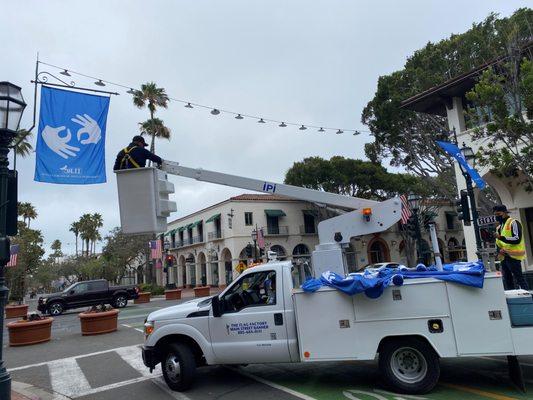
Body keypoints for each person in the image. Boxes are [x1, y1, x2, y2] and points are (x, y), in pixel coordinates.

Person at [493, 205, 528, 290]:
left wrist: (500, 237)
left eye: (498, 214)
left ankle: (528, 299)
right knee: (508, 280)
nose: (497, 216)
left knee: (519, 279)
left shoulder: (514, 222)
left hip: (513, 256)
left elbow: (517, 239)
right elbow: (498, 243)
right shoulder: (499, 227)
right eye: (495, 214)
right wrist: (499, 250)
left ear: (505, 213)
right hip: (504, 257)